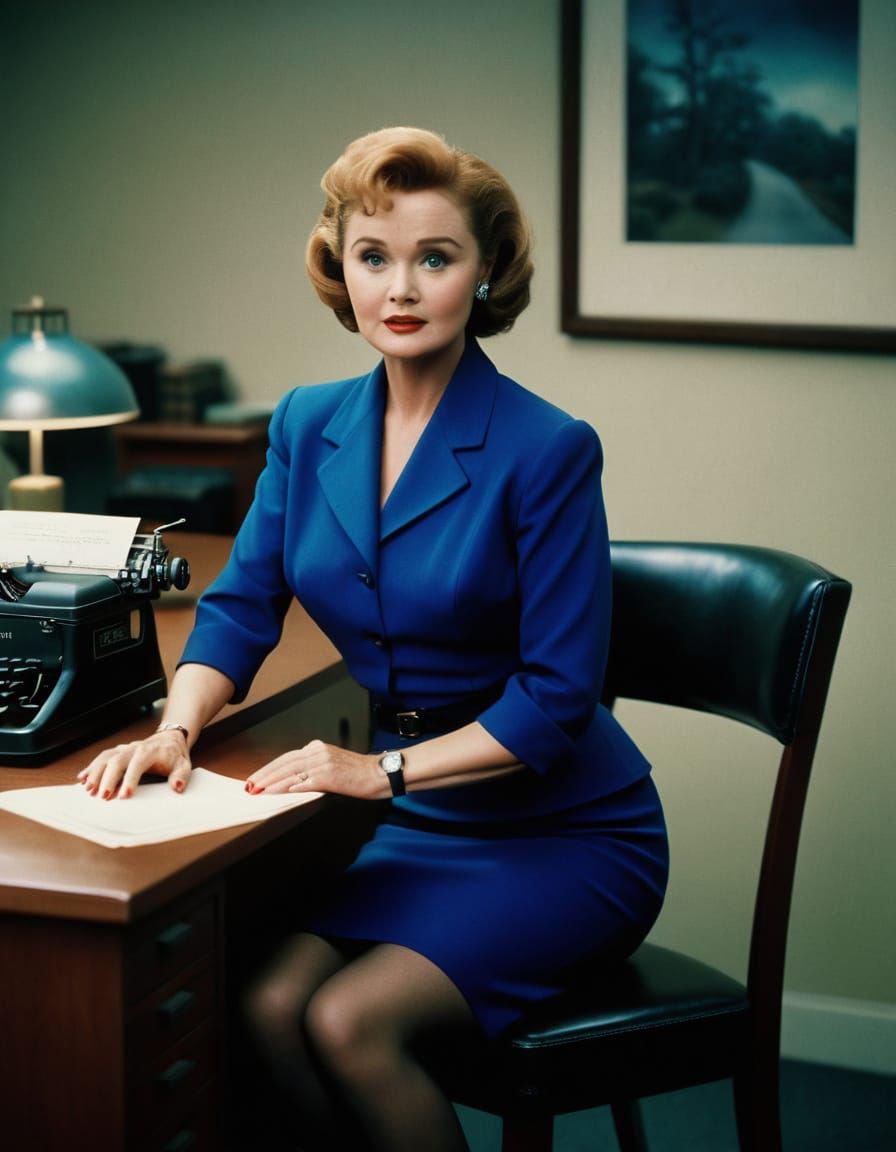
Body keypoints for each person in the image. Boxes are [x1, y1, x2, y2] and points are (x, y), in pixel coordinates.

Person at [79, 126, 669, 1152]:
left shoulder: (549, 449)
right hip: (421, 819)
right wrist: (176, 729)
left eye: (434, 258)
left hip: (563, 829)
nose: (400, 288)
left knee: (347, 1023)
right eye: (373, 257)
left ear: (485, 275)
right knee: (266, 1010)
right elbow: (242, 603)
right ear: (339, 271)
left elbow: (555, 698)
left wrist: (378, 773)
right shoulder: (308, 423)